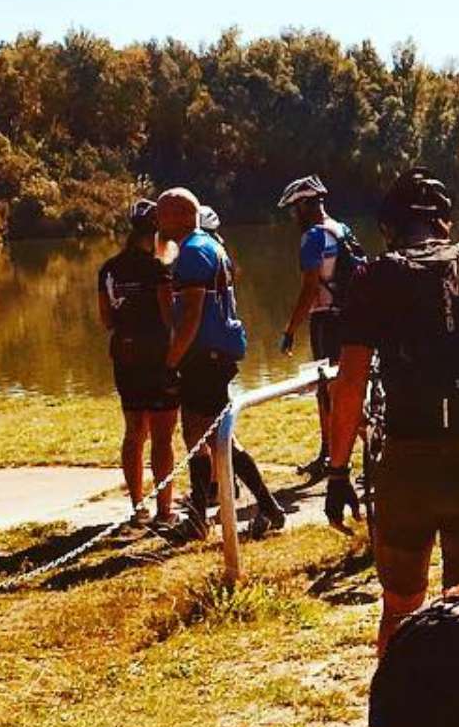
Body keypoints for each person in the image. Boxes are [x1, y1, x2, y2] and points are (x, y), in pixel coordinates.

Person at [322, 167, 459, 647]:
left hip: (407, 460)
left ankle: (396, 695)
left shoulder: (372, 278)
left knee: (401, 608)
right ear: (444, 221)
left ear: (389, 227)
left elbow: (350, 383)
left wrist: (338, 470)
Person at [156, 188, 286, 536]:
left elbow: (192, 315)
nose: (158, 222)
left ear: (181, 216)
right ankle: (207, 513)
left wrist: (171, 362)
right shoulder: (209, 246)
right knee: (201, 433)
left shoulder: (193, 252)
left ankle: (260, 509)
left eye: (162, 214)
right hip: (212, 352)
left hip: (206, 354)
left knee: (213, 435)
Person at [97, 198, 177, 526]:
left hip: (125, 355)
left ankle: (137, 507)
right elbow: (170, 317)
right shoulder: (158, 270)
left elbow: (106, 320)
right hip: (158, 356)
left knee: (134, 432)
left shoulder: (109, 269)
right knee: (162, 437)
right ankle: (165, 511)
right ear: (156, 231)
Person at [279, 175, 360, 474]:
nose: (293, 217)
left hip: (326, 320)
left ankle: (330, 455)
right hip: (349, 315)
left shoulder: (312, 237)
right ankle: (342, 450)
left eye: (294, 210)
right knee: (345, 384)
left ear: (303, 206)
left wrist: (290, 330)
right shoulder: (341, 229)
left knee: (327, 388)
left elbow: (309, 288)